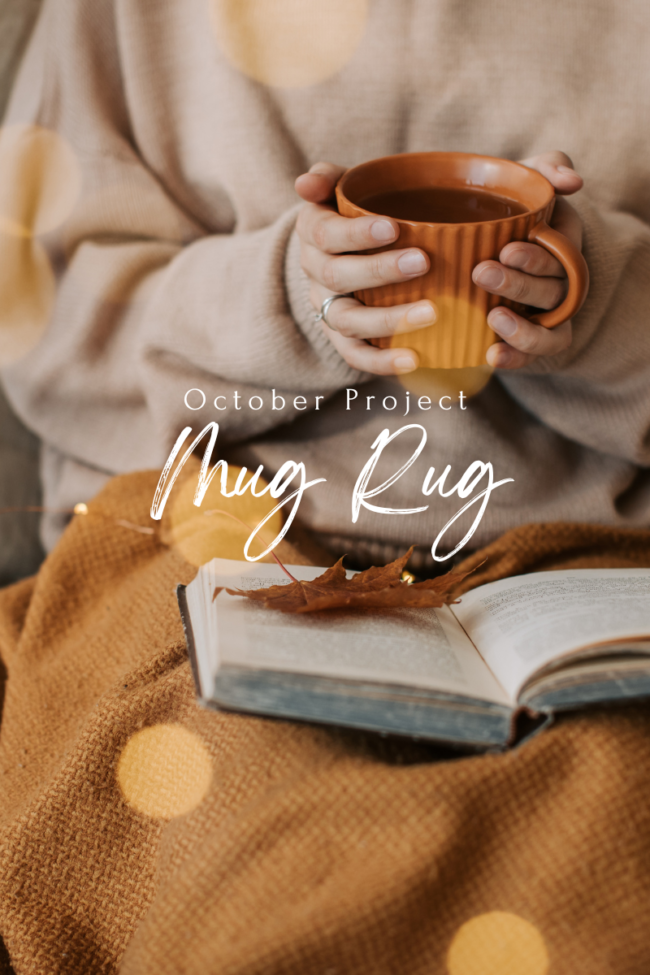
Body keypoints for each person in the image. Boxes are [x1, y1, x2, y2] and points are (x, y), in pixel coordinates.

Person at [2, 0, 649, 571]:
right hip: (207, 523)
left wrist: (590, 296)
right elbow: (47, 322)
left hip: (583, 556)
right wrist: (289, 302)